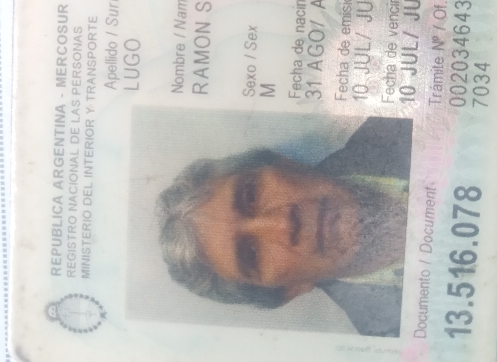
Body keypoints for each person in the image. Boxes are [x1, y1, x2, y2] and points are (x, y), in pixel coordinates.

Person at [156, 116, 412, 337]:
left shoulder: (402, 126)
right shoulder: (393, 335)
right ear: (289, 290)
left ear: (284, 163)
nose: (283, 224)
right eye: (252, 254)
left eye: (251, 195)